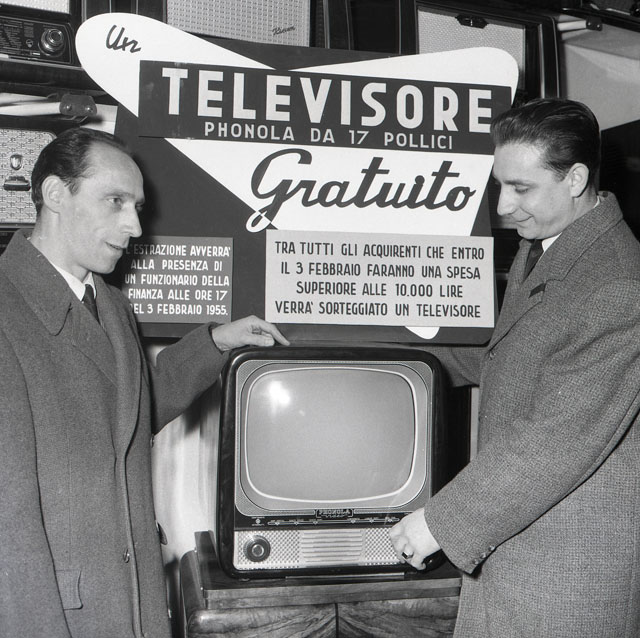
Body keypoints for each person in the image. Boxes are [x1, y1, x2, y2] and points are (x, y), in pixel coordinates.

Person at [0, 127, 288, 638]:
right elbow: (8, 527)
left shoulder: (110, 304)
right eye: (115, 201)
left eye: (136, 206)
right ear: (55, 194)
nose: (134, 225)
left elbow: (130, 415)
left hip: (133, 604)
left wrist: (215, 343)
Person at [390, 98, 640, 637]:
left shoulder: (619, 285)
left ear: (575, 179)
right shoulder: (549, 247)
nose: (503, 206)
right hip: (519, 551)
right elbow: (514, 357)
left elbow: (558, 435)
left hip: (567, 578)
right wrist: (393, 353)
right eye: (500, 185)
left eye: (521, 188)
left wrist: (440, 522)